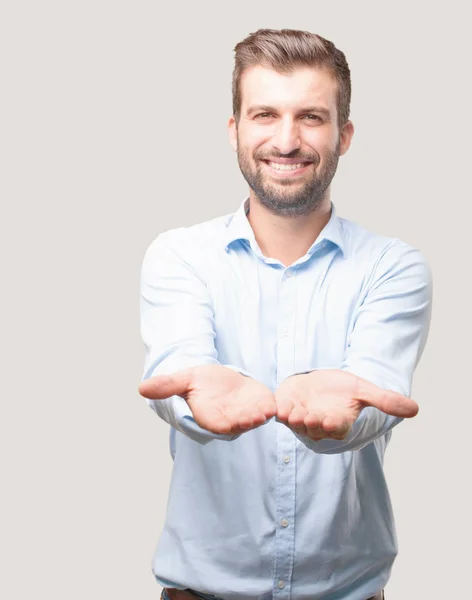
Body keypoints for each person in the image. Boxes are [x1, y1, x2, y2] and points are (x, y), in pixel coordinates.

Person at [139, 28, 432, 600]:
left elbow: (375, 400)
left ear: (344, 135)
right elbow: (179, 378)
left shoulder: (393, 267)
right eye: (265, 114)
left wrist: (343, 419)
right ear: (235, 130)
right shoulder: (178, 256)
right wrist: (198, 403)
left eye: (312, 117)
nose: (287, 139)